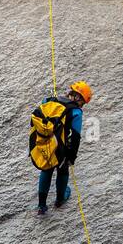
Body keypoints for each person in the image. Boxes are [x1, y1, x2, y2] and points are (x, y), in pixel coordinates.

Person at [37, 80, 92, 215]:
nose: (82, 106)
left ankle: (41, 206)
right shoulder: (76, 112)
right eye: (83, 103)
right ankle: (60, 199)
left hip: (45, 143)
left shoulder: (49, 100)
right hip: (61, 147)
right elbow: (76, 137)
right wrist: (71, 157)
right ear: (79, 98)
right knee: (63, 172)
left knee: (46, 170)